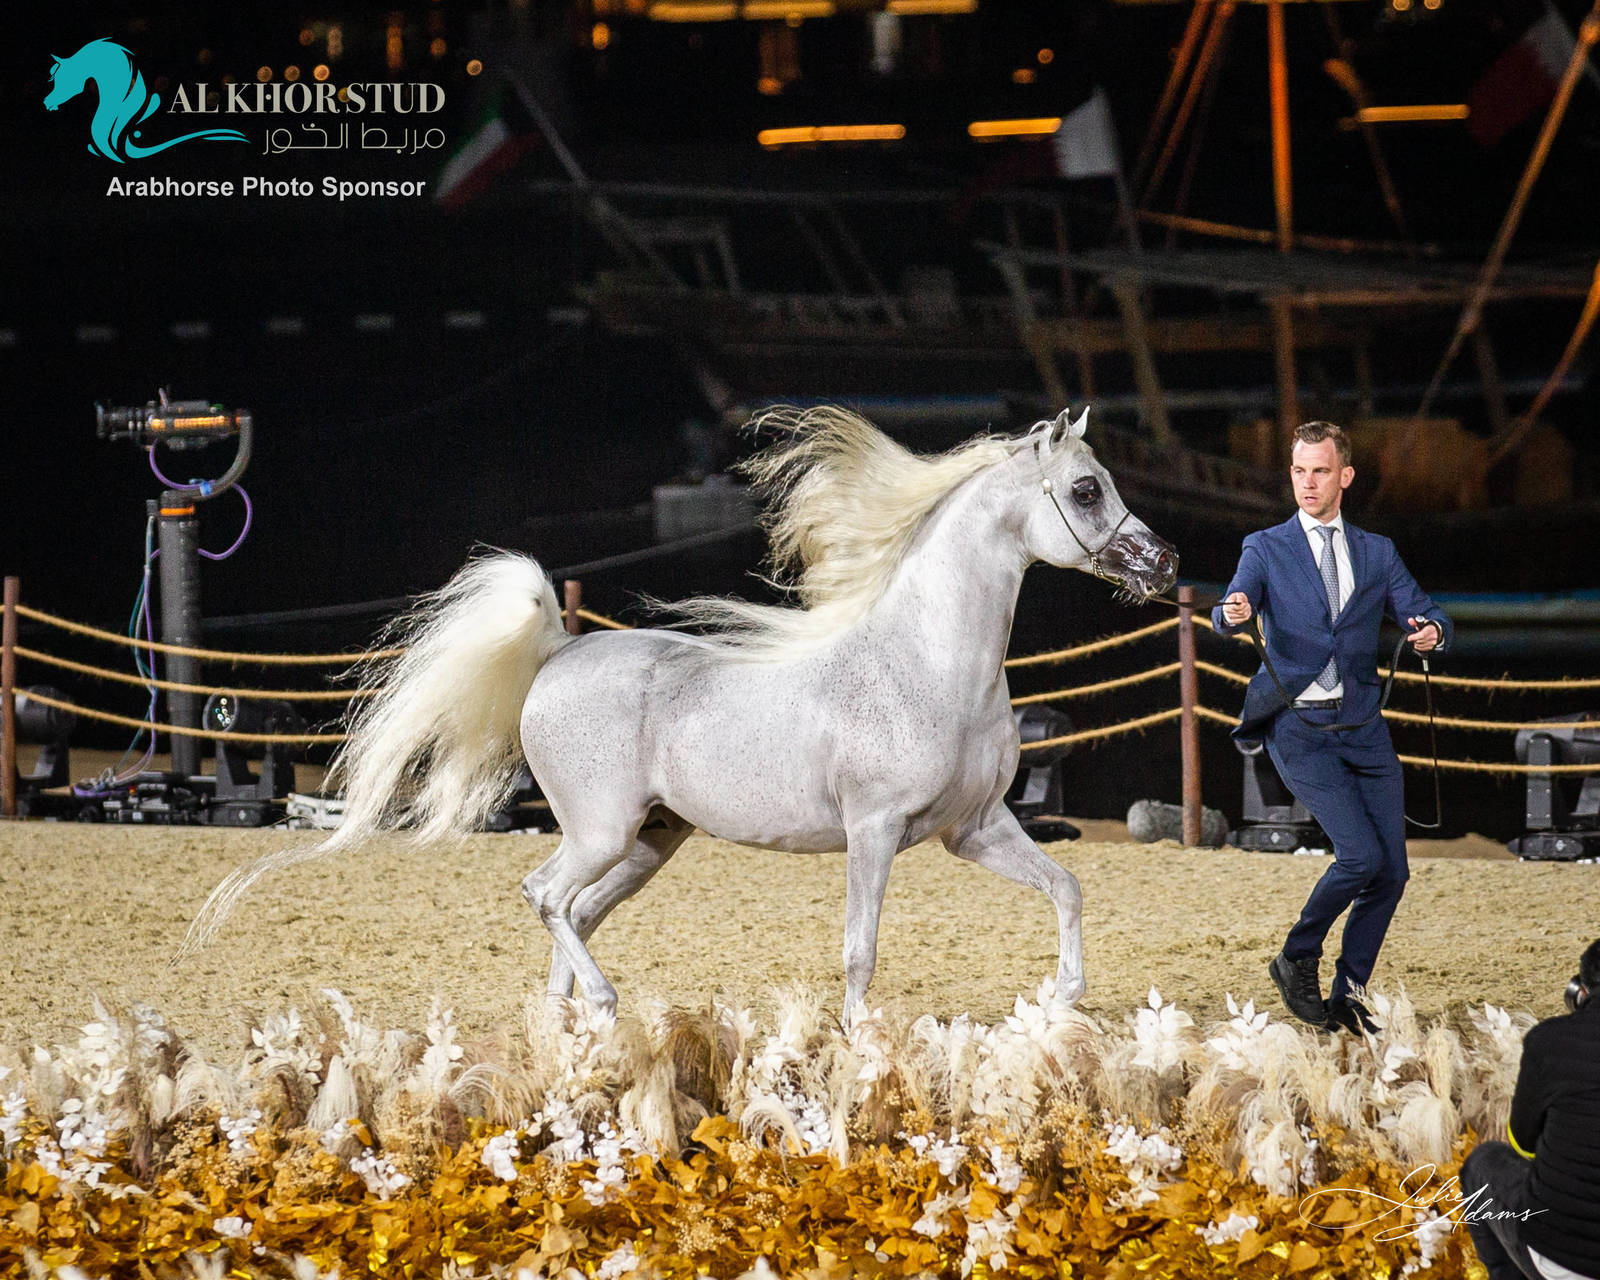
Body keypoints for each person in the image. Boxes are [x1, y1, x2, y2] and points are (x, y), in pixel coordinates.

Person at [1212, 421, 1452, 1033]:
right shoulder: (1264, 547)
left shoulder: (1377, 552)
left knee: (1391, 872)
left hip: (1363, 725)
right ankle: (1297, 955)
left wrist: (1432, 631)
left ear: (1344, 476)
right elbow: (1230, 606)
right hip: (1298, 726)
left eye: (1319, 471)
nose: (1307, 483)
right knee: (1360, 856)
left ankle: (1349, 992)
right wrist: (1232, 612)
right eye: (1299, 470)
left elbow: (1425, 611)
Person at [1459, 939, 1600, 1280]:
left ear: (1580, 993)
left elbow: (1522, 1143)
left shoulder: (1550, 1041)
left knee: (1482, 1164)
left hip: (1561, 1261)